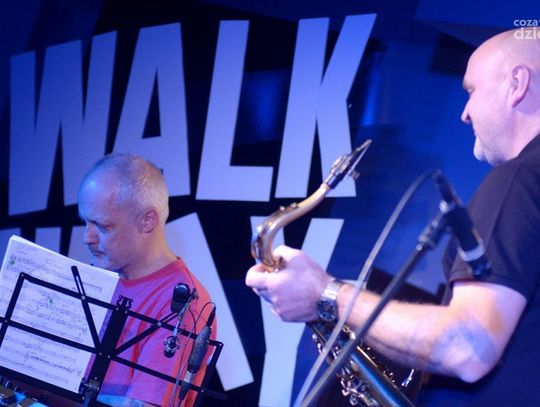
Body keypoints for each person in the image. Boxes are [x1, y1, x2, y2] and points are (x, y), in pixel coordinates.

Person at [246, 28, 540, 405]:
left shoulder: (519, 178)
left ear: (517, 83)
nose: (465, 114)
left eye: (471, 91)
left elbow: (468, 347)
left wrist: (326, 294)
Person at [77, 153, 216, 407]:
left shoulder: (184, 304)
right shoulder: (93, 279)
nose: (87, 237)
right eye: (85, 222)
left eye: (103, 226)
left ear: (147, 221)